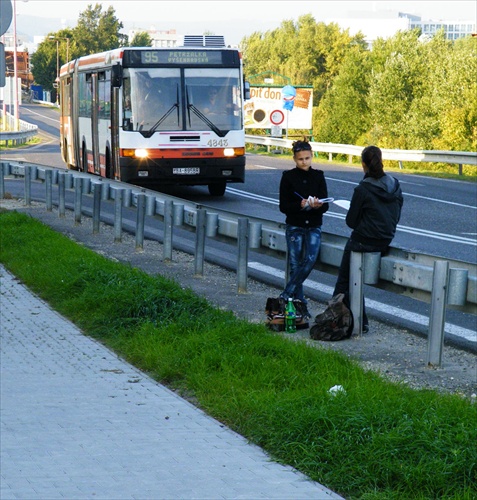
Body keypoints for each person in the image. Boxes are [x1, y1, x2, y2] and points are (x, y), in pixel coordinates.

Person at [333, 145, 403, 333]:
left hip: (363, 240)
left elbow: (351, 221)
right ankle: (360, 320)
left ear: (363, 164)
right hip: (385, 239)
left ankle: (339, 320)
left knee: (344, 280)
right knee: (354, 278)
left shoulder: (363, 189)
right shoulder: (395, 185)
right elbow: (397, 215)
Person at [279, 139, 329, 319]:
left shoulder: (319, 176)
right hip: (295, 225)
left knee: (309, 259)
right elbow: (283, 206)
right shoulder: (288, 176)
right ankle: (301, 307)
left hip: (314, 225)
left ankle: (286, 294)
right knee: (295, 265)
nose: (304, 162)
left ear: (312, 156)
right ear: (294, 159)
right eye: (300, 159)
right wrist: (299, 205)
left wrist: (317, 205)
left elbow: (325, 204)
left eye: (307, 158)